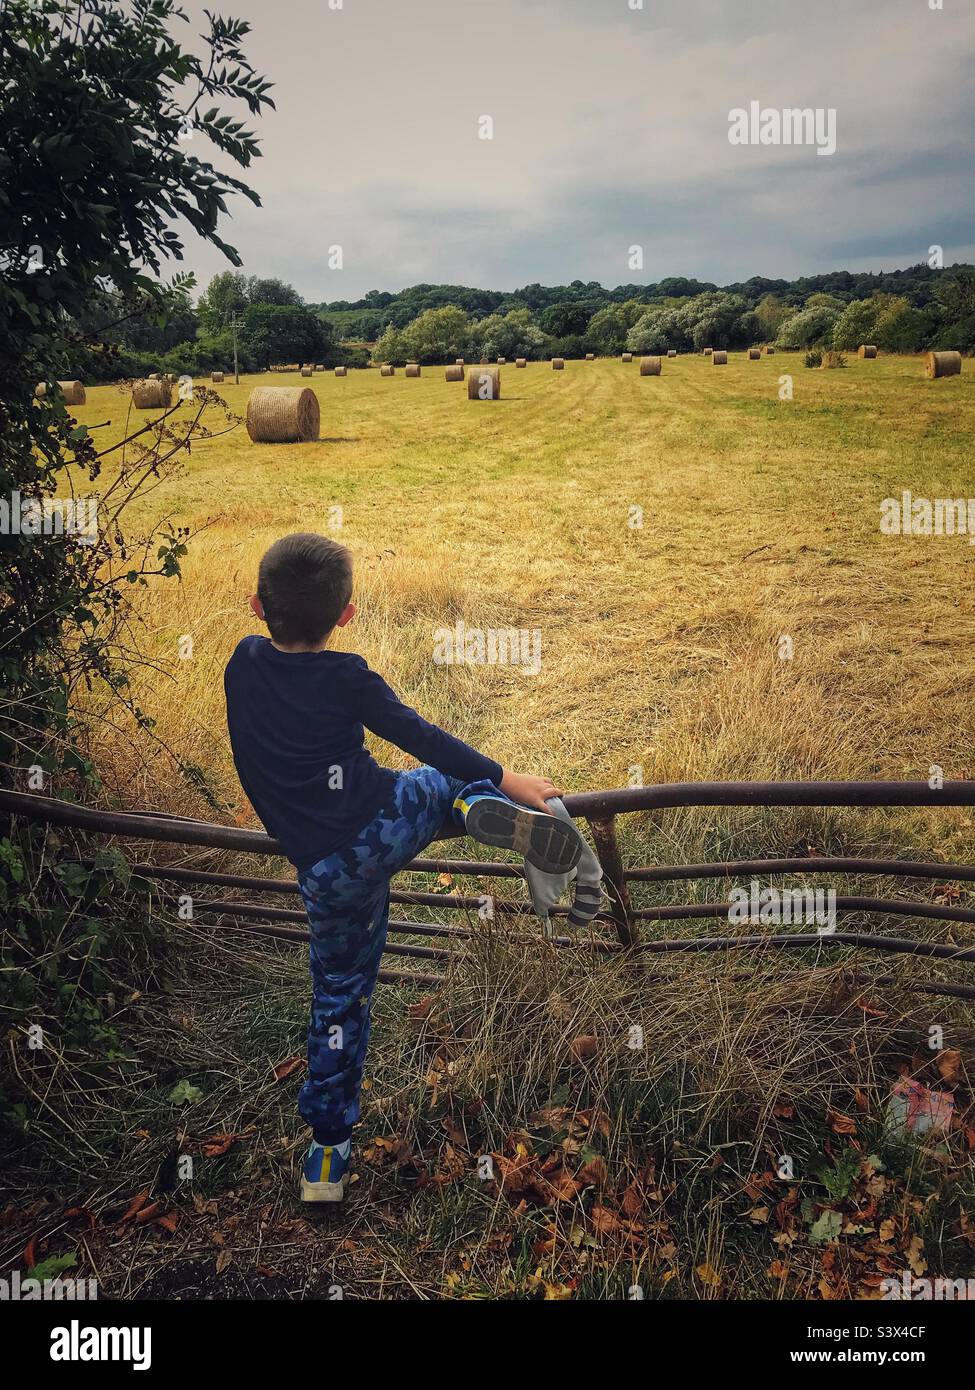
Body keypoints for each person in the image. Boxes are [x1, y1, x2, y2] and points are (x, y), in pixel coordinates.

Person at [224, 532, 582, 1201]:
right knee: (438, 779)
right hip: (382, 820)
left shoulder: (242, 664)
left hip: (325, 869)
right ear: (347, 614)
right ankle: (480, 812)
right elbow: (420, 733)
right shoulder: (348, 676)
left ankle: (326, 1158)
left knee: (338, 996)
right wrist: (504, 776)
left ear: (255, 606)